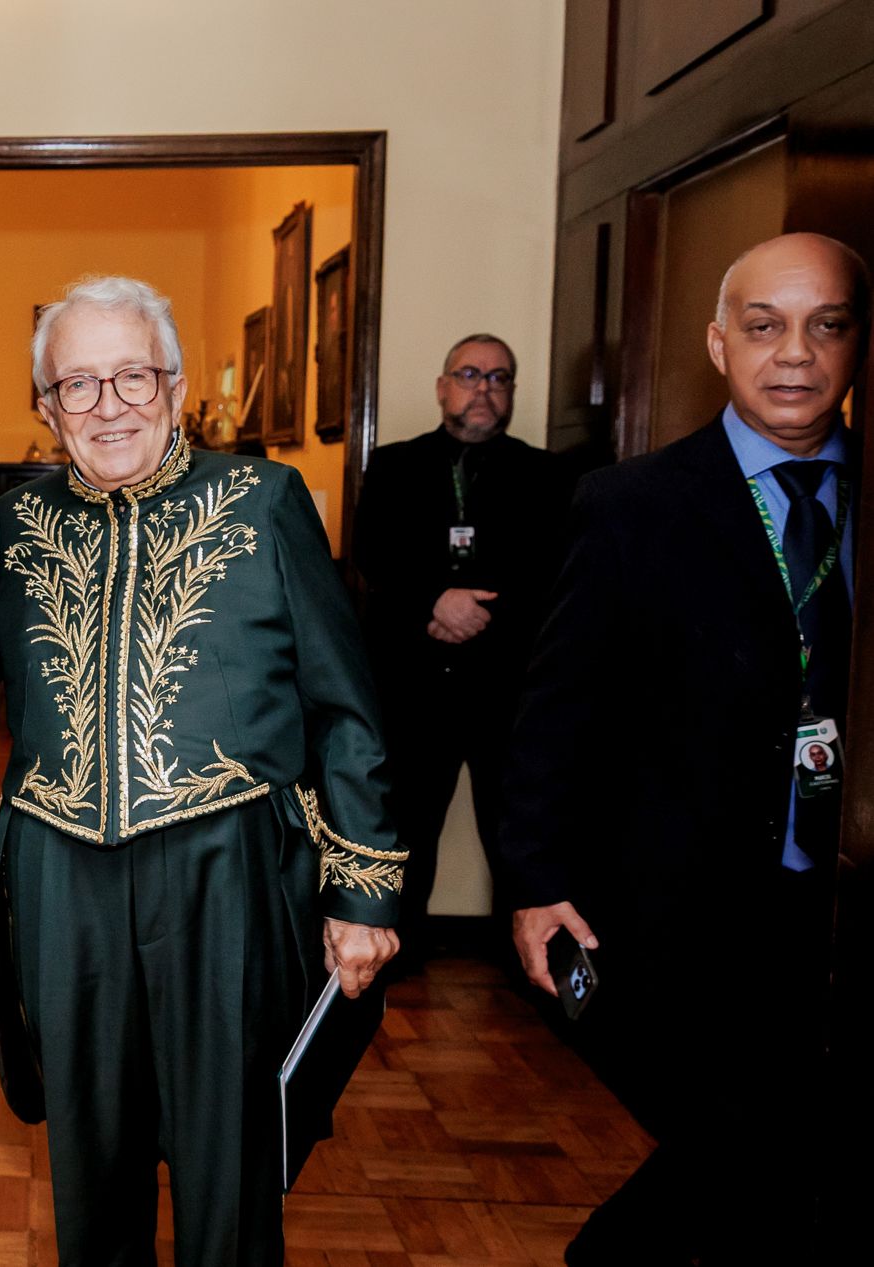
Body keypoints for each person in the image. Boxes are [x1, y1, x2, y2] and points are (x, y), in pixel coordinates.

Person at [0, 276, 403, 1266]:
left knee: (230, 1161)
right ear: (46, 408)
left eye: (132, 376)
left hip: (226, 873)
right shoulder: (16, 524)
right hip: (61, 878)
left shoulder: (262, 499)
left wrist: (364, 892)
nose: (108, 406)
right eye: (78, 384)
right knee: (90, 1158)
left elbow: (344, 704)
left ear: (172, 386)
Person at [498, 232, 868, 1265]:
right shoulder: (632, 504)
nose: (793, 353)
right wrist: (536, 881)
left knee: (788, 1153)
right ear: (718, 343)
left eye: (826, 325)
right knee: (743, 1139)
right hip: (683, 908)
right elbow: (555, 710)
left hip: (840, 904)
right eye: (764, 326)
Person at [352, 335, 569, 960]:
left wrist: (477, 614)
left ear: (512, 393)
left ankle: (528, 966)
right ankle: (393, 959)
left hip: (507, 686)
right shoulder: (393, 465)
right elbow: (372, 555)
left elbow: (553, 572)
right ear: (443, 386)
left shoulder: (548, 475)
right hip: (413, 683)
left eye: (499, 378)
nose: (484, 389)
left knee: (515, 833)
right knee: (406, 830)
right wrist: (434, 603)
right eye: (470, 374)